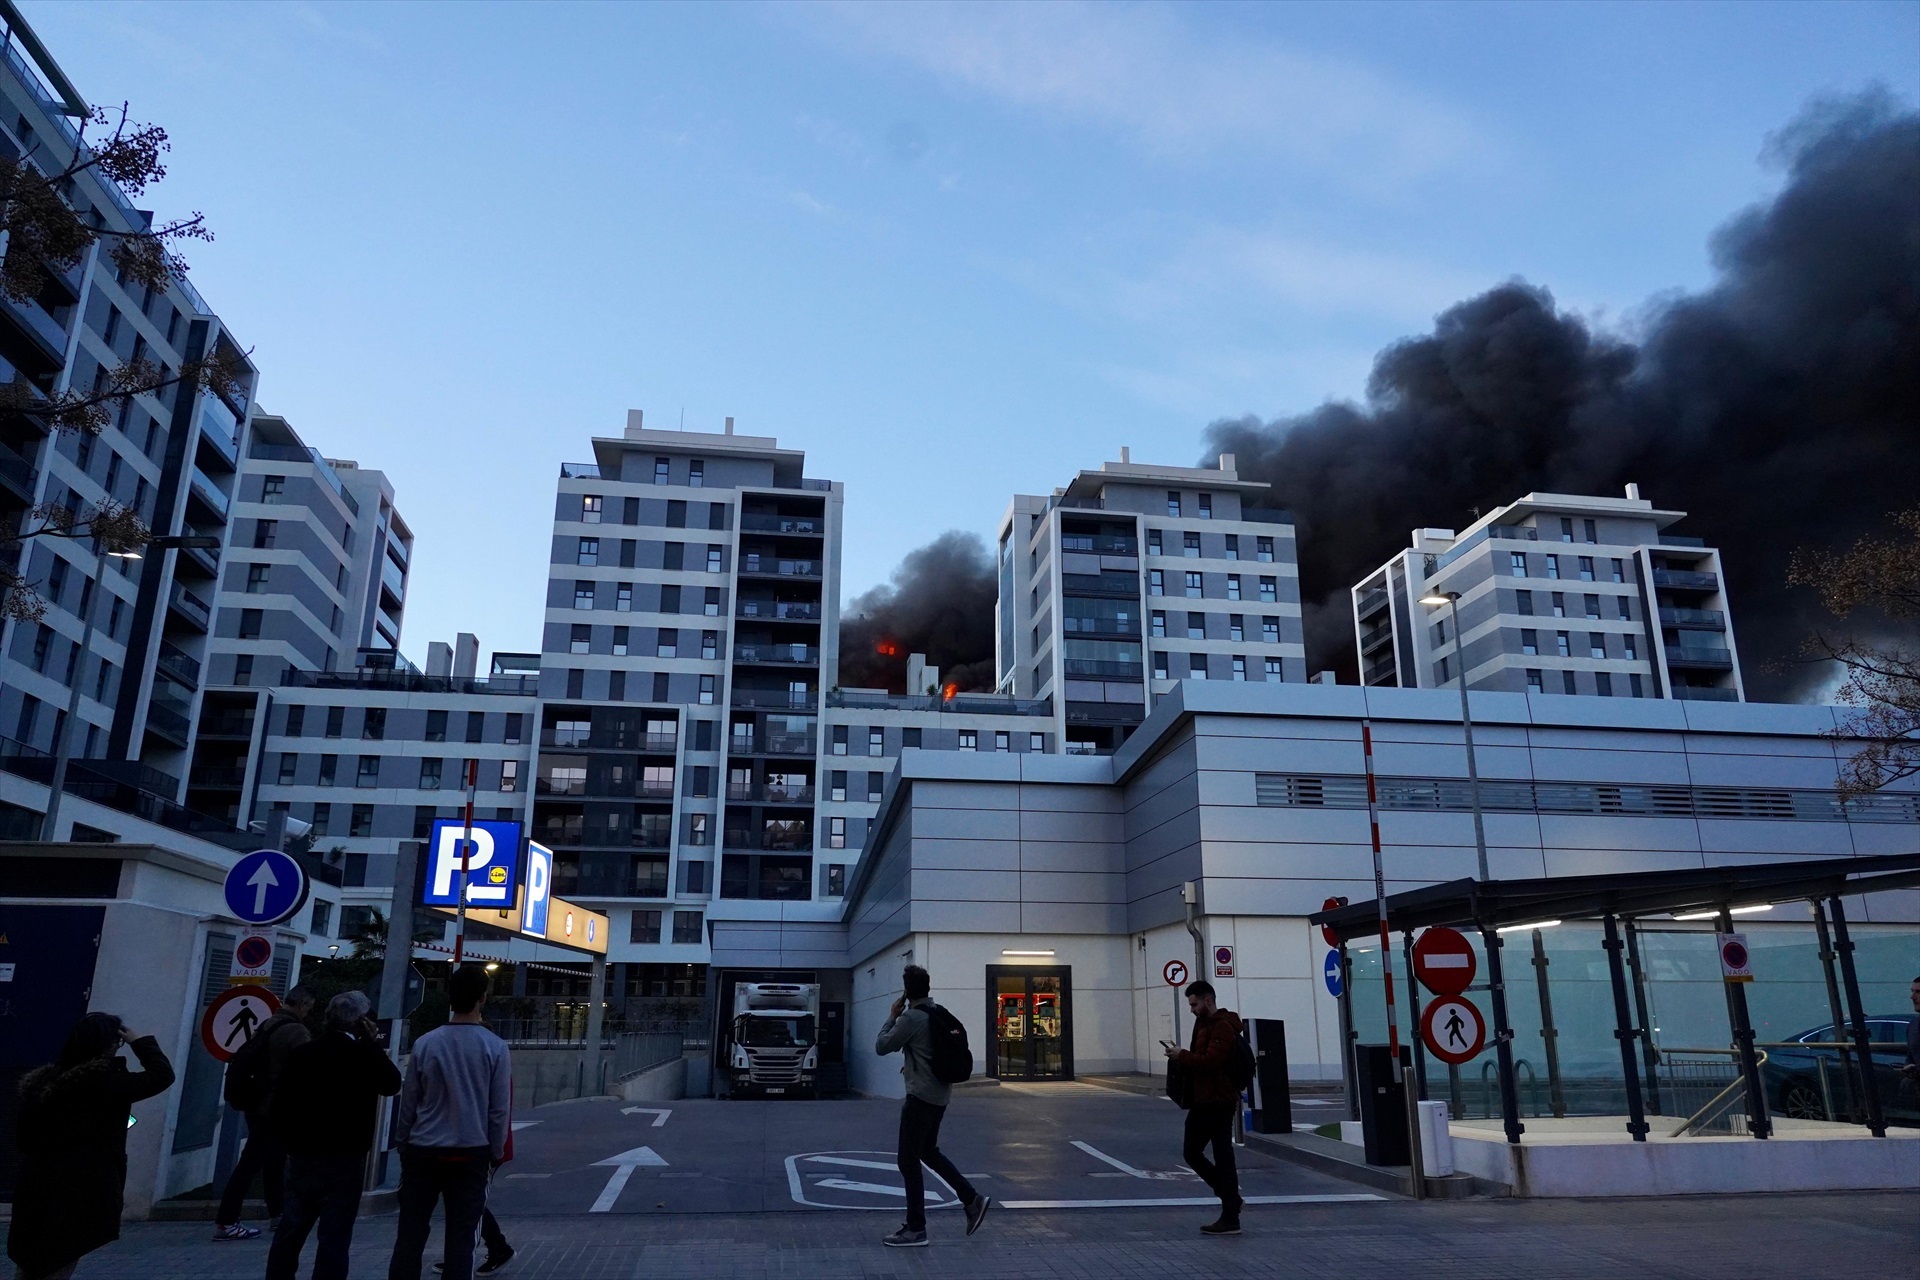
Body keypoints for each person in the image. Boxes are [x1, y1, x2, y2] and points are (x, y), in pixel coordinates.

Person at [6, 1012, 175, 1280]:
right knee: (59, 1258)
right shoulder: (104, 1082)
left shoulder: (44, 1083)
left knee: (32, 1261)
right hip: (79, 1188)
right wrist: (139, 1042)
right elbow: (162, 1075)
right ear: (108, 1044)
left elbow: (24, 1138)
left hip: (36, 1186)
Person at [265, 991, 402, 1280]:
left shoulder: (304, 1053)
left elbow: (281, 1104)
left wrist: (290, 1143)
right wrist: (373, 1044)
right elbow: (391, 1083)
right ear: (362, 1023)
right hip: (345, 1157)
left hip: (303, 1154)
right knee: (335, 1236)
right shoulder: (362, 1055)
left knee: (291, 1230)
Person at [387, 965, 512, 1280]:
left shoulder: (426, 1043)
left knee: (410, 1234)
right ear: (482, 998)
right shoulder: (495, 1047)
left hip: (422, 1150)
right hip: (471, 1152)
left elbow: (410, 1100)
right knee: (462, 1237)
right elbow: (499, 1110)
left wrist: (403, 1141)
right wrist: (495, 1152)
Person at [872, 964, 990, 1248]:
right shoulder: (939, 1014)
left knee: (907, 1161)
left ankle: (916, 1229)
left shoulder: (911, 1018)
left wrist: (891, 1016)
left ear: (906, 991)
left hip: (919, 1100)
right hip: (939, 1097)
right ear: (927, 987)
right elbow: (928, 1053)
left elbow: (882, 1045)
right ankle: (971, 1199)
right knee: (927, 1151)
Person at [213, 985, 316, 1241]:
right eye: (310, 1009)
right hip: (275, 1106)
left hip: (257, 1103)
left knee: (274, 1160)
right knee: (252, 1163)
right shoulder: (296, 1030)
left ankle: (277, 1214)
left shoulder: (269, 1024)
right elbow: (307, 1069)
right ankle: (227, 1221)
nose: (308, 1013)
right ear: (303, 1005)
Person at [1164, 979, 1244, 1236]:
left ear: (1208, 1000)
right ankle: (1230, 1203)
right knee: (1210, 1153)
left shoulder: (1221, 1026)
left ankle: (1230, 1207)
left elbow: (1212, 1061)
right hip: (1208, 1099)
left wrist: (1181, 1056)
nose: (1192, 1009)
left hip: (1217, 1100)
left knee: (1210, 1153)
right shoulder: (1205, 1023)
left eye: (1194, 1004)